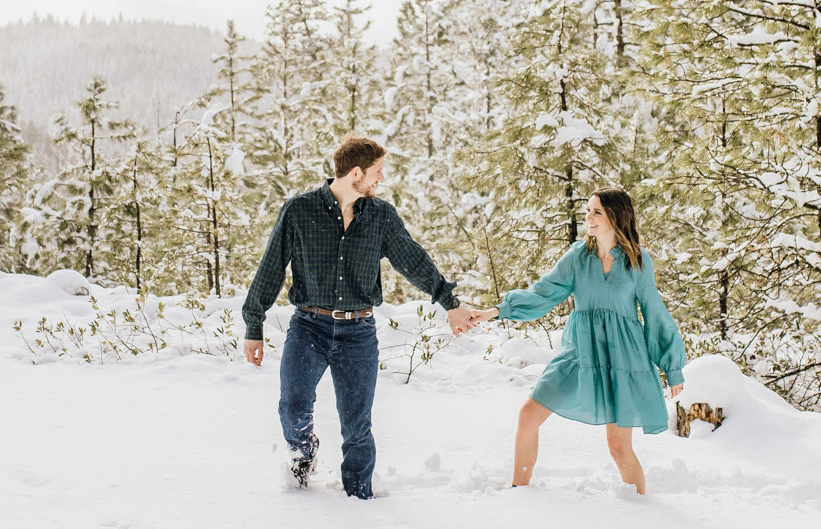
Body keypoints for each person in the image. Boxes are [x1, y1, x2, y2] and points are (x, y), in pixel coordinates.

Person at [242, 136, 477, 498]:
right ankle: (303, 456)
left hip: (358, 333)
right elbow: (271, 268)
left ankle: (359, 496)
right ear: (355, 173)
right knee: (293, 407)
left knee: (357, 426)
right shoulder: (298, 211)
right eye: (377, 172)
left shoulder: (380, 216)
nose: (380, 179)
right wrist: (253, 325)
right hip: (308, 327)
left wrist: (450, 302)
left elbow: (412, 260)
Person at [472, 188, 685, 495]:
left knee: (618, 446)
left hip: (623, 358)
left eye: (596, 211)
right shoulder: (578, 256)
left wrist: (672, 368)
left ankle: (642, 506)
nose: (588, 217)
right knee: (528, 415)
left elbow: (655, 314)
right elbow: (543, 293)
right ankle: (517, 492)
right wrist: (496, 311)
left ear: (615, 216)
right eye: (588, 210)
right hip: (581, 353)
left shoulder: (637, 261)